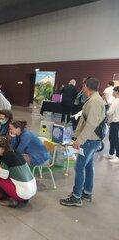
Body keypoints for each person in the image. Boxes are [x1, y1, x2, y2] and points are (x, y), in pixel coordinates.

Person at [60, 77, 106, 207]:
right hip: (92, 139)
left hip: (90, 140)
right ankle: (86, 192)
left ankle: (76, 196)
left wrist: (79, 140)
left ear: (87, 87)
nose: (82, 88)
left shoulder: (94, 101)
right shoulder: (94, 99)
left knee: (79, 167)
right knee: (88, 166)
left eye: (83, 85)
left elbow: (91, 124)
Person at [0, 137, 37, 208]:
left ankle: (13, 199)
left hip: (22, 193)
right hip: (32, 190)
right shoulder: (16, 152)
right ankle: (22, 198)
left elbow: (3, 176)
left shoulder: (6, 157)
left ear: (2, 148)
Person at [104, 86, 119, 163]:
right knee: (111, 138)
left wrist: (105, 113)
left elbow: (110, 112)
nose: (112, 93)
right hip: (115, 121)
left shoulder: (116, 101)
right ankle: (111, 153)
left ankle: (118, 157)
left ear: (117, 92)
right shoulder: (116, 100)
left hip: (115, 122)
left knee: (115, 139)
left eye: (113, 91)